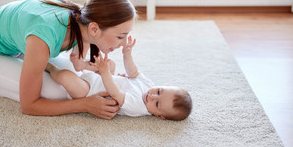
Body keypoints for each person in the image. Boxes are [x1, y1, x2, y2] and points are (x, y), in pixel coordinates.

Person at [0, 0, 136, 119]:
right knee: (57, 93)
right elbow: (29, 107)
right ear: (95, 28)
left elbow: (81, 61)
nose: (124, 43)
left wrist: (94, 68)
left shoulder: (82, 21)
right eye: (121, 36)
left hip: (15, 47)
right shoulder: (44, 36)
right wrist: (86, 105)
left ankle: (6, 74)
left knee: (73, 76)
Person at [46, 36, 192, 121]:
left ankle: (50, 68)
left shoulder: (138, 107)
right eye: (159, 91)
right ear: (164, 85)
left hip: (88, 91)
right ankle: (81, 66)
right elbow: (133, 73)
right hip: (101, 79)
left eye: (157, 104)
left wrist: (105, 73)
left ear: (160, 116)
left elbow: (115, 93)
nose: (152, 96)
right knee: (111, 64)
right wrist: (127, 55)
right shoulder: (149, 85)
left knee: (65, 76)